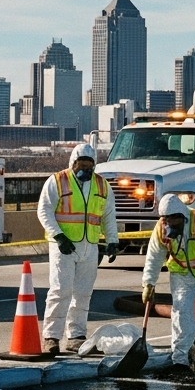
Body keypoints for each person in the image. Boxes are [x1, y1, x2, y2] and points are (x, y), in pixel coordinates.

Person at [37, 143, 119, 354]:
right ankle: (51, 337)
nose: (85, 170)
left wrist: (112, 240)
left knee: (83, 293)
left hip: (89, 246)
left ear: (94, 166)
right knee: (60, 291)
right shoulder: (57, 181)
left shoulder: (102, 186)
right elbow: (44, 211)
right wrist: (58, 236)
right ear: (72, 163)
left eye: (89, 166)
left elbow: (108, 215)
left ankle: (76, 336)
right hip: (63, 246)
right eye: (81, 165)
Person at [141, 195, 195, 379]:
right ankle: (181, 360)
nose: (170, 222)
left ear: (183, 215)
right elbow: (155, 256)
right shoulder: (161, 229)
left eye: (173, 218)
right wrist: (149, 283)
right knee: (182, 315)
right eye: (166, 219)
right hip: (181, 274)